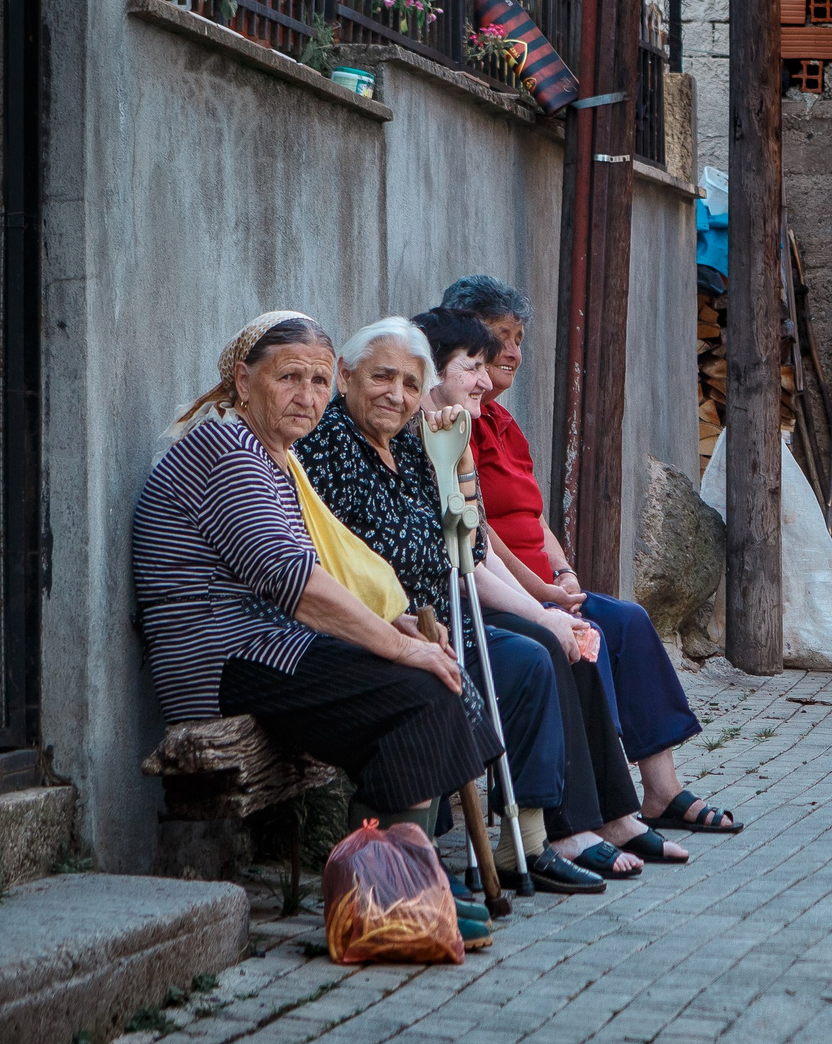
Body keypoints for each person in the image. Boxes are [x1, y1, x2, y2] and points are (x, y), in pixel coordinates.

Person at [135, 312, 500, 942]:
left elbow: (324, 571)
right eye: (289, 379)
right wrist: (396, 647)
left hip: (265, 651)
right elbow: (292, 579)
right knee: (417, 688)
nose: (308, 397)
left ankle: (394, 883)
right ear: (244, 382)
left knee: (434, 682)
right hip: (223, 661)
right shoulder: (224, 450)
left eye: (318, 380)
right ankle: (386, 897)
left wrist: (401, 628)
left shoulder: (275, 458)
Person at [294, 316, 629, 895]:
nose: (396, 395)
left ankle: (526, 840)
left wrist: (459, 465)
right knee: (527, 659)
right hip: (386, 626)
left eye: (408, 382)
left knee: (537, 654)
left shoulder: (410, 444)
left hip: (439, 619)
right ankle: (488, 850)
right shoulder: (328, 448)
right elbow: (376, 555)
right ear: (345, 376)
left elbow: (468, 544)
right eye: (381, 378)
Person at [438, 275, 739, 834]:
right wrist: (542, 592)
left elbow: (535, 518)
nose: (514, 353)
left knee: (626, 620)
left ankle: (660, 789)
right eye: (501, 337)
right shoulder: (454, 424)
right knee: (580, 644)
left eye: (520, 337)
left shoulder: (502, 422)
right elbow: (477, 534)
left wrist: (566, 572)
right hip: (510, 591)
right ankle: (594, 811)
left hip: (543, 584)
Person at [413, 307, 691, 870]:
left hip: (495, 593)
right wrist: (542, 606)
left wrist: (557, 586)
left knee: (595, 633)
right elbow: (475, 546)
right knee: (547, 650)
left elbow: (490, 535)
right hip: (445, 611)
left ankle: (613, 812)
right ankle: (556, 830)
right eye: (475, 363)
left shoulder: (462, 434)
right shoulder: (432, 439)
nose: (490, 375)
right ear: (433, 372)